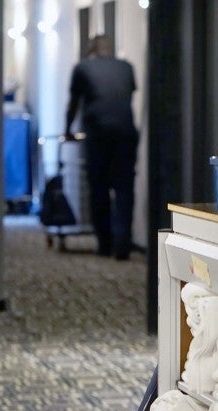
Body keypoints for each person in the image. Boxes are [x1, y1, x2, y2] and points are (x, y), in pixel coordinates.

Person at [65, 35, 138, 260]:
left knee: (98, 189)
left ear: (91, 50)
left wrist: (67, 129)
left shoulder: (82, 68)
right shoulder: (126, 67)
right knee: (125, 189)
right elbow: (126, 96)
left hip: (98, 134)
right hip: (126, 133)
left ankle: (105, 244)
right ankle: (123, 244)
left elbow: (74, 103)